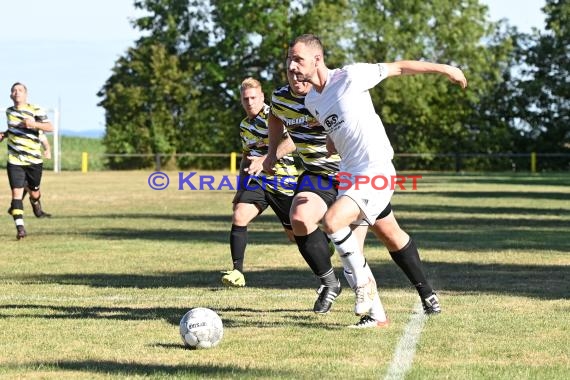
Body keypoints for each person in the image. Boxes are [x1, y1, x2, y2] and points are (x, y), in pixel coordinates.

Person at [287, 34, 467, 318]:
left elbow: (399, 68)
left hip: (375, 169)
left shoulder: (350, 76)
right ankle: (390, 310)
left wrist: (446, 69)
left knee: (333, 221)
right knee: (385, 237)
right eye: (290, 60)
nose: (292, 66)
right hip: (350, 175)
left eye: (298, 59)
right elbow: (335, 131)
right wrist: (332, 142)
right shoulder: (312, 100)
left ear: (317, 59)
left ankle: (364, 288)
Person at [264, 69, 345, 316]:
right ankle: (329, 282)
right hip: (316, 175)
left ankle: (426, 293)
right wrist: (271, 154)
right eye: (291, 69)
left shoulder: (332, 92)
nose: (296, 75)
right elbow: (276, 118)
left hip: (351, 172)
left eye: (300, 66)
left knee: (387, 233)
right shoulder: (280, 98)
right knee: (298, 218)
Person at [221, 77, 298, 287]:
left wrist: (265, 160)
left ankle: (324, 244)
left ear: (262, 97)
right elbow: (247, 157)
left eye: (254, 98)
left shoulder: (275, 116)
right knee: (239, 215)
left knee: (295, 235)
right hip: (257, 182)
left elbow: (293, 140)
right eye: (246, 99)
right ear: (241, 100)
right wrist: (240, 189)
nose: (250, 102)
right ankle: (237, 272)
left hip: (283, 181)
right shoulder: (244, 125)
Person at [0, 82, 54, 239]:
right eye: (14, 90)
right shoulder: (9, 112)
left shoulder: (35, 109)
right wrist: (4, 135)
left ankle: (36, 203)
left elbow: (50, 127)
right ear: (11, 95)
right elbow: (14, 129)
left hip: (34, 160)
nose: (17, 92)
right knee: (16, 194)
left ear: (26, 94)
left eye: (20, 90)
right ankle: (20, 229)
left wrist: (33, 124)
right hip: (15, 160)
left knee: (35, 192)